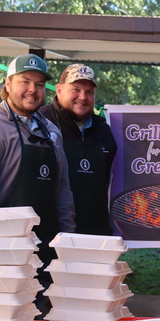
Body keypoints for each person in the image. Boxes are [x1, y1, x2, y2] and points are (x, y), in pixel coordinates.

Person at [0, 54, 76, 250]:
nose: (32, 90)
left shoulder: (51, 132)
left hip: (49, 247)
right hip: (7, 249)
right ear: (8, 84)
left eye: (39, 84)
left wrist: (67, 239)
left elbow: (63, 191)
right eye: (25, 82)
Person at [39, 63, 118, 236]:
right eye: (76, 89)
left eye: (89, 92)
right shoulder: (40, 123)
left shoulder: (103, 130)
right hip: (50, 233)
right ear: (59, 90)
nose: (83, 97)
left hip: (94, 233)